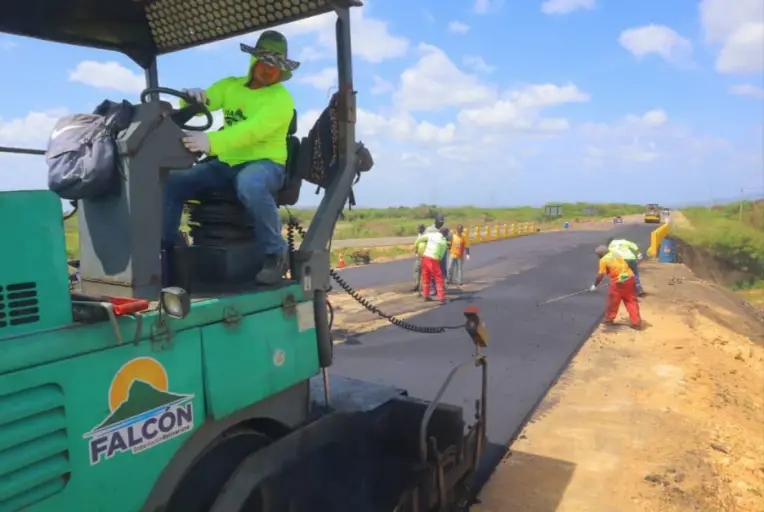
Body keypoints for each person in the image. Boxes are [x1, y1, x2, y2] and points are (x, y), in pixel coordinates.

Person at [161, 30, 299, 286]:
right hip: (227, 163)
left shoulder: (281, 100)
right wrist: (190, 99)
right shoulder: (231, 86)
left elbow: (251, 131)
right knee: (174, 181)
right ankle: (163, 252)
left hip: (266, 163)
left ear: (282, 71)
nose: (269, 69)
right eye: (265, 62)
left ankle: (275, 254)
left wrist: (211, 142)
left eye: (275, 66)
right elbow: (205, 104)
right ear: (254, 61)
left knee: (250, 184)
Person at [591, 245, 642, 330]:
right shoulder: (615, 253)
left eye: (598, 255)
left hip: (619, 282)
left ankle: (609, 319)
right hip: (630, 277)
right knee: (630, 300)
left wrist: (595, 285)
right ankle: (636, 323)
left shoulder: (603, 260)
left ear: (601, 254)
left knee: (613, 301)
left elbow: (601, 274)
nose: (598, 257)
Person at [414, 224, 448, 303]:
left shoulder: (431, 235)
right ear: (445, 233)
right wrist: (438, 261)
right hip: (433, 259)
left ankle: (426, 295)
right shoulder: (443, 241)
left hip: (425, 258)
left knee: (426, 277)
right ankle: (441, 298)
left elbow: (419, 239)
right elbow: (441, 255)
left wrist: (416, 247)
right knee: (438, 278)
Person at [411, 223, 426, 293]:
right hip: (419, 256)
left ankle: (426, 288)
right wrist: (416, 252)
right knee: (417, 270)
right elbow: (417, 244)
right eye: (417, 228)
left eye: (419, 228)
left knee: (425, 272)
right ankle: (416, 285)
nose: (418, 230)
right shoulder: (419, 235)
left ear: (423, 229)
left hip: (426, 257)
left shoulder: (426, 236)